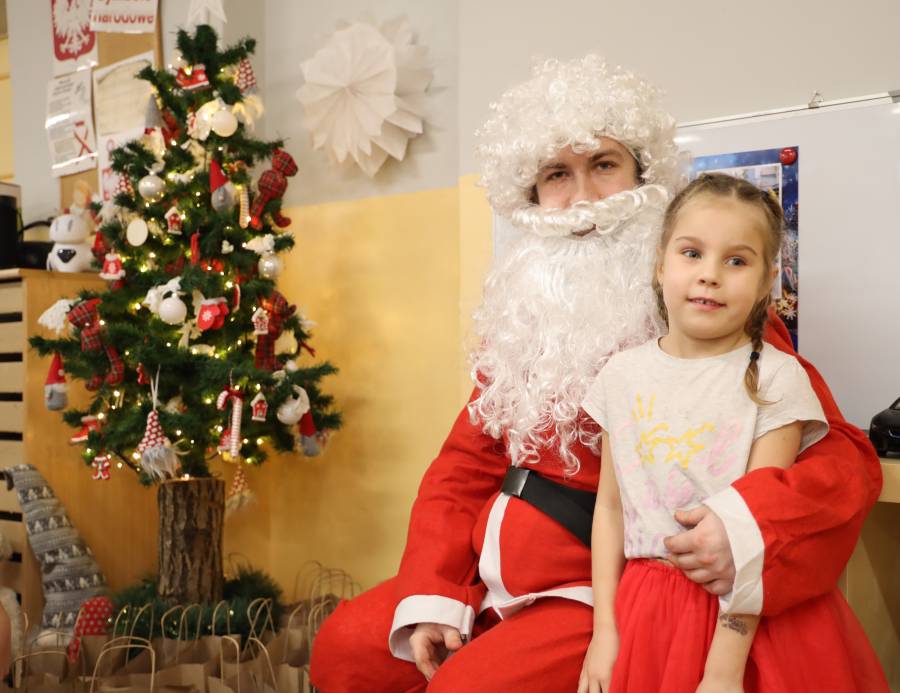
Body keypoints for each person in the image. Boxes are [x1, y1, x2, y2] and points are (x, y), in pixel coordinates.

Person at [309, 55, 882, 692]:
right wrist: (435, 592)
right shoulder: (527, 316)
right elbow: (465, 464)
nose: (582, 199)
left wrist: (746, 527)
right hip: (489, 567)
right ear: (533, 196)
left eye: (603, 165)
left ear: (644, 175)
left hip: (595, 584)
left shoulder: (705, 314)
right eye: (557, 174)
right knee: (346, 651)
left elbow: (841, 460)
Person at [578, 172, 887, 692]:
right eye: (691, 253)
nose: (710, 275)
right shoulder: (620, 375)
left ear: (768, 281)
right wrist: (604, 631)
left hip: (741, 620)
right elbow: (610, 508)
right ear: (660, 264)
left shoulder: (777, 379)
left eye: (737, 261)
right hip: (646, 611)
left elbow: (755, 534)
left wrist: (722, 672)